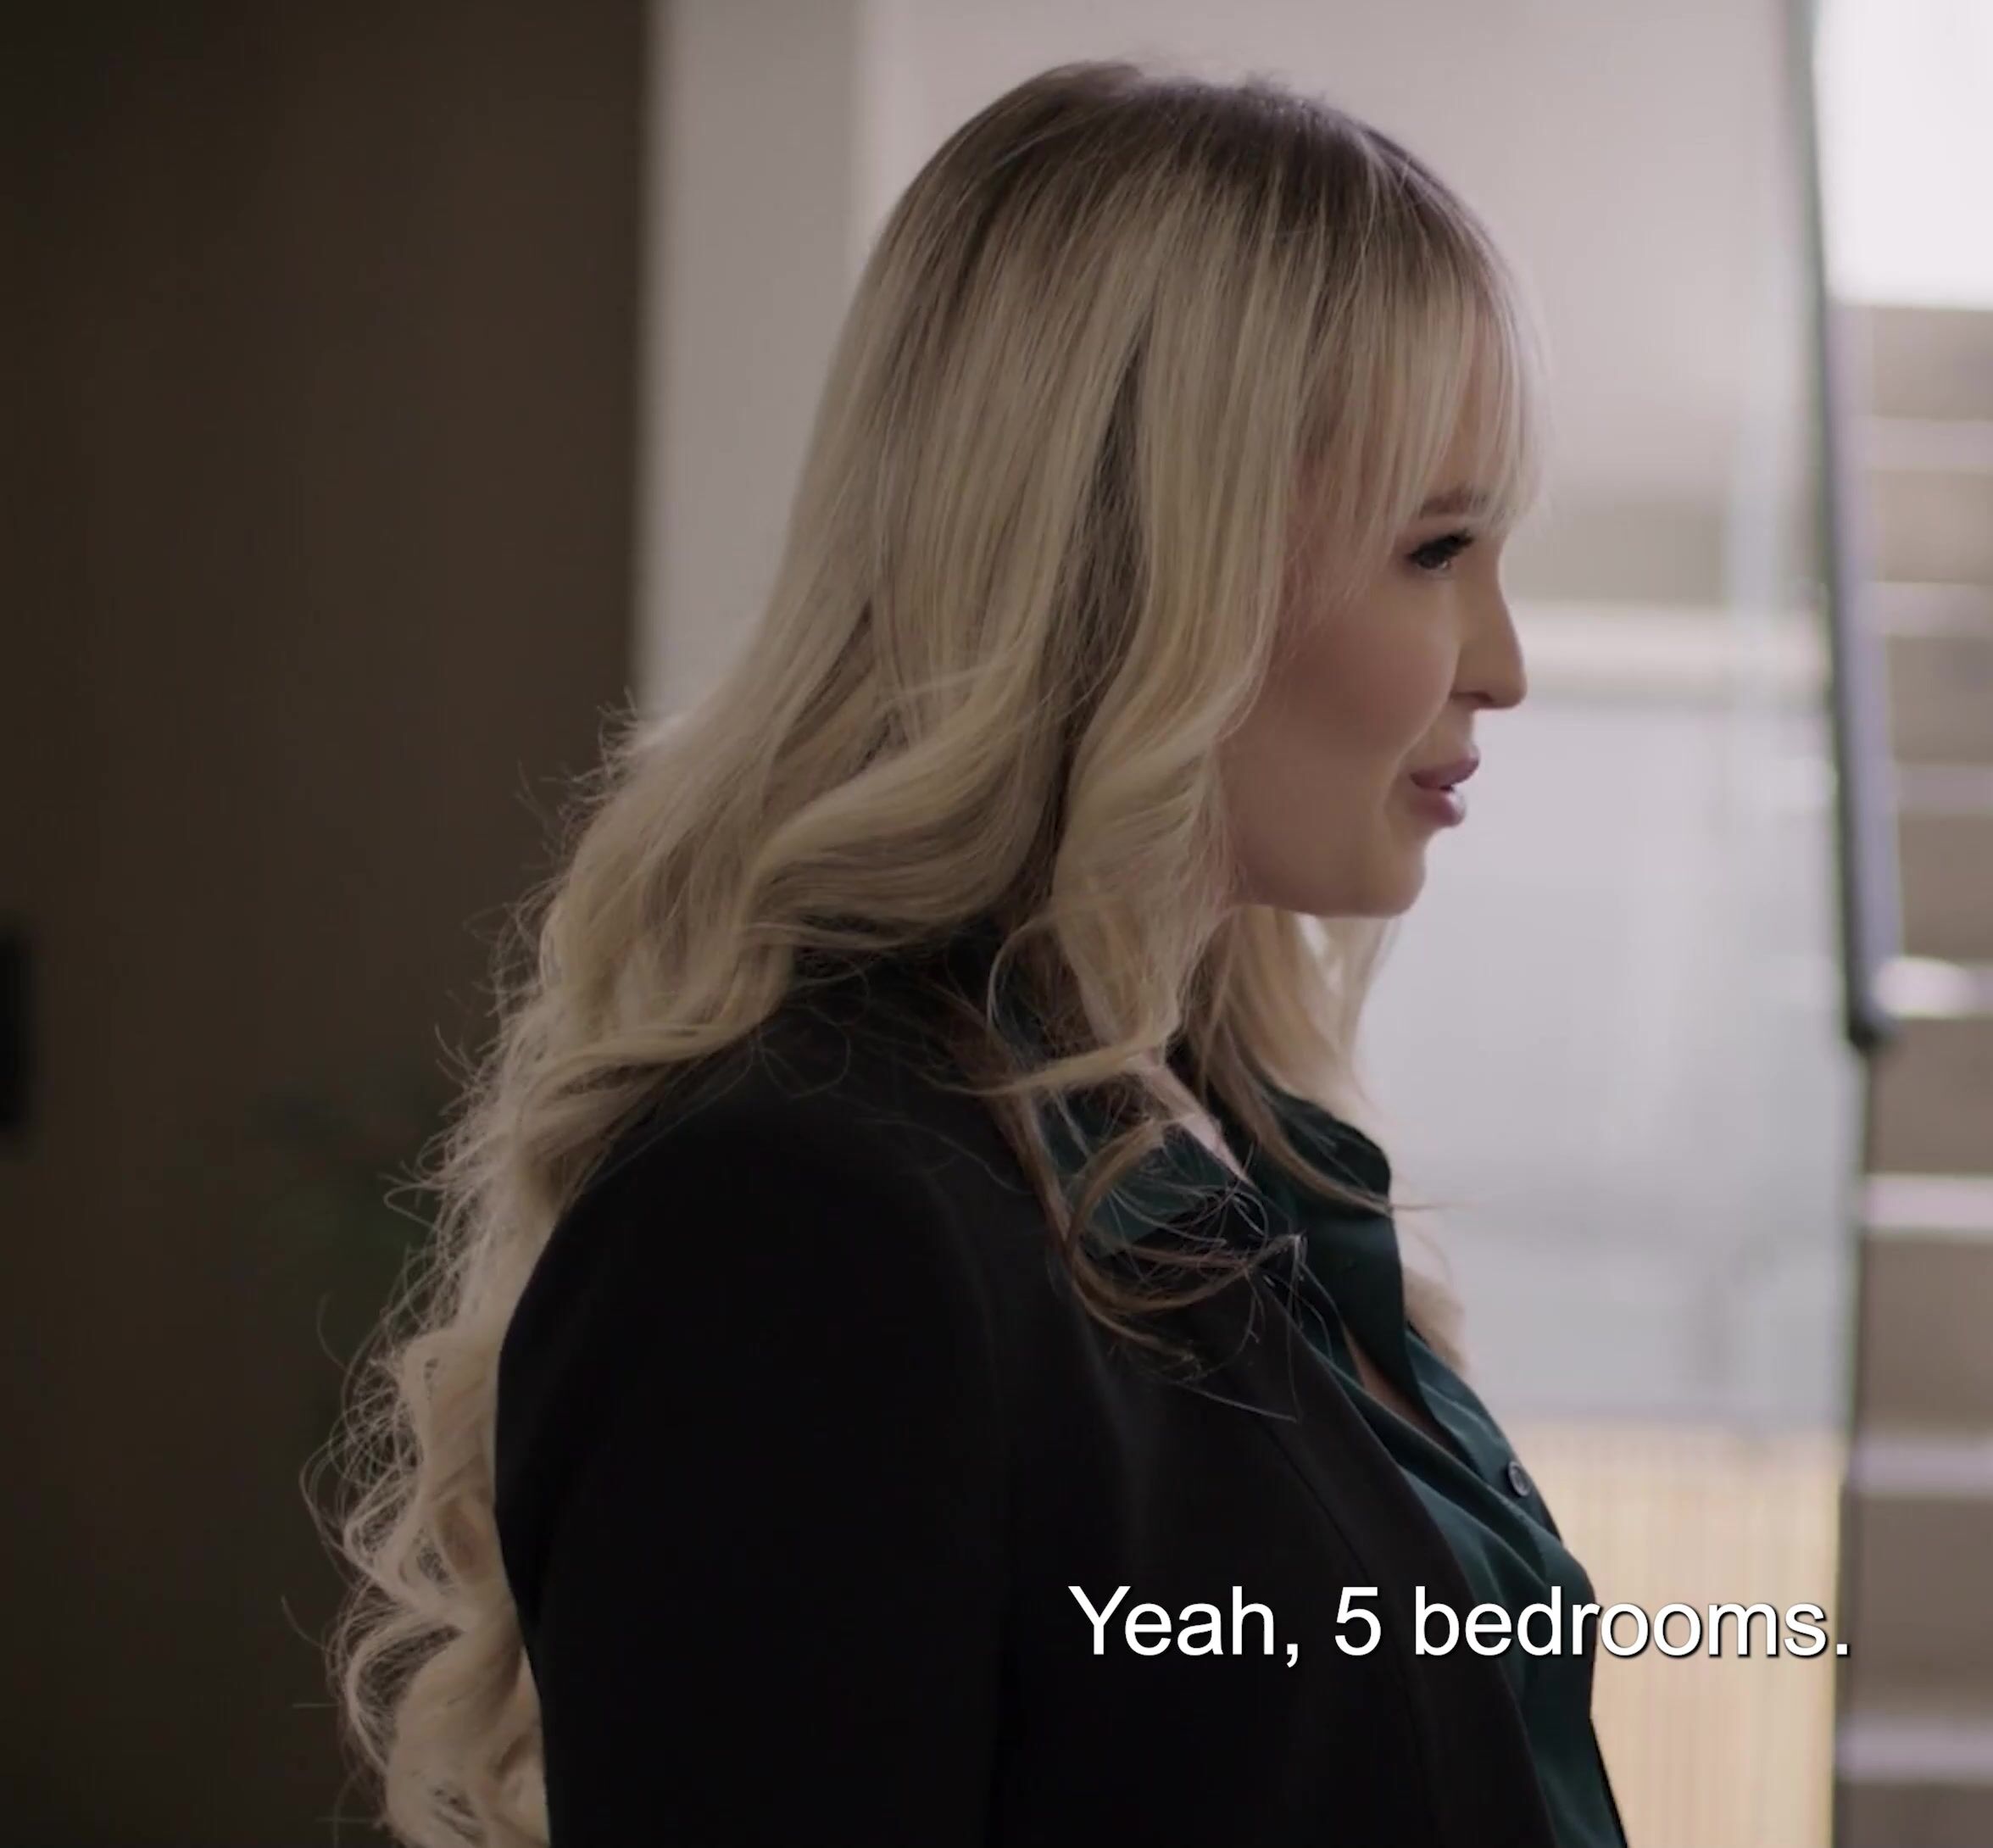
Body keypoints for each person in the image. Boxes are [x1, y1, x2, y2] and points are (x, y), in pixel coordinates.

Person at [328, 60, 1630, 1848]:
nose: (1502, 663)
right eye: (1436, 549)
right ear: (1147, 561)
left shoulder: (1223, 1136)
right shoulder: (803, 1221)